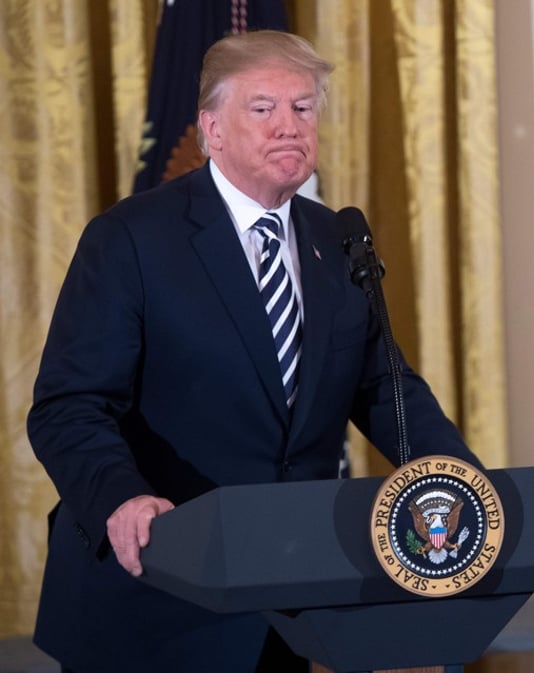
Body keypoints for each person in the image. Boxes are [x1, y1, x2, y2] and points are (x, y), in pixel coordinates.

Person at [27, 30, 481, 673]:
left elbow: (387, 390)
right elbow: (69, 405)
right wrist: (120, 497)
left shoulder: (337, 239)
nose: (288, 126)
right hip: (160, 597)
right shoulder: (131, 239)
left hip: (289, 596)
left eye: (303, 108)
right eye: (263, 108)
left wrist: (466, 487)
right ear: (211, 129)